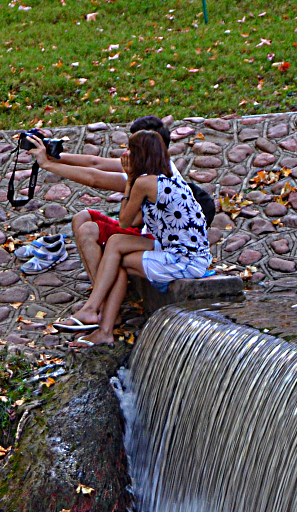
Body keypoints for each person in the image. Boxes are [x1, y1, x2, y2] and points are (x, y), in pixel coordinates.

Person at [33, 130, 211, 346]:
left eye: (130, 150)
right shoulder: (165, 180)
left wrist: (129, 183)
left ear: (142, 155)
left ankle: (97, 318)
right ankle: (98, 320)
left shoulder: (144, 183)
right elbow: (136, 220)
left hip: (185, 260)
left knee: (118, 259)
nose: (125, 154)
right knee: (116, 244)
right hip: (182, 250)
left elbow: (125, 221)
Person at [27, 116, 183, 283]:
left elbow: (94, 178)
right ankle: (100, 288)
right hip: (145, 233)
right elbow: (96, 163)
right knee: (82, 217)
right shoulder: (153, 162)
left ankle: (102, 297)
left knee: (89, 230)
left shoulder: (151, 178)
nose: (127, 152)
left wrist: (47, 165)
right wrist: (52, 154)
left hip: (158, 242)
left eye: (134, 147)